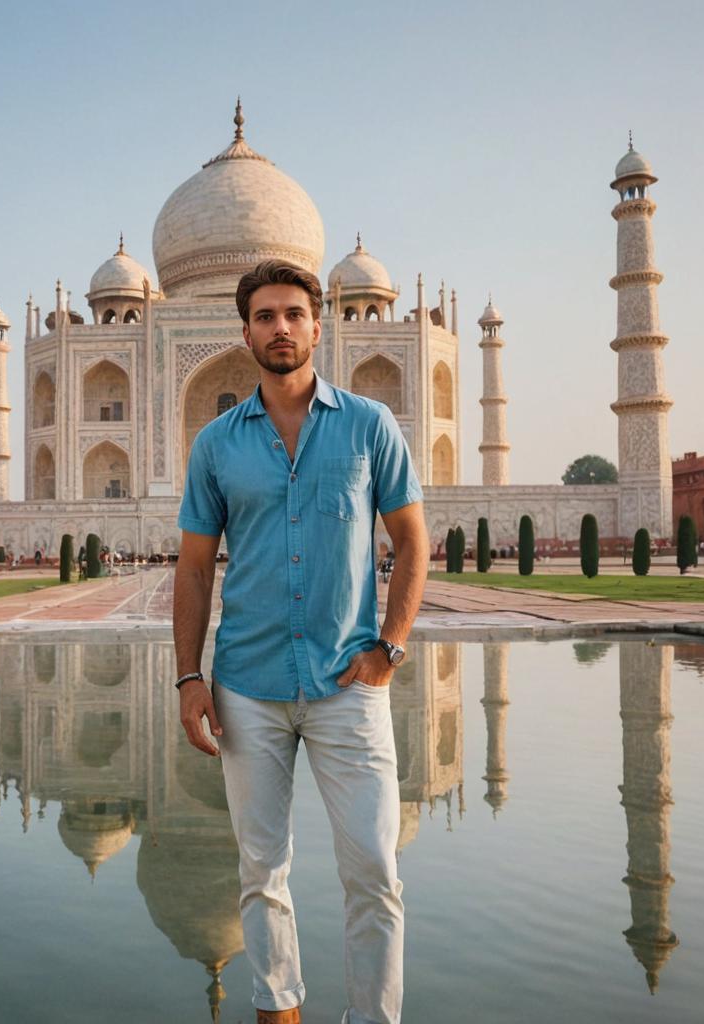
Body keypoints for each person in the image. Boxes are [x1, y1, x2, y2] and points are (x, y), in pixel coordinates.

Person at [174, 260, 429, 1024]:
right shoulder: (216, 443)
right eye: (264, 315)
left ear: (320, 325)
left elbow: (413, 543)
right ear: (243, 329)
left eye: (293, 313)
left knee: (376, 872)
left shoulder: (368, 425)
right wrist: (189, 678)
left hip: (348, 682)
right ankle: (278, 1009)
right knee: (260, 870)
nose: (280, 328)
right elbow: (192, 571)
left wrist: (390, 646)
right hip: (246, 683)